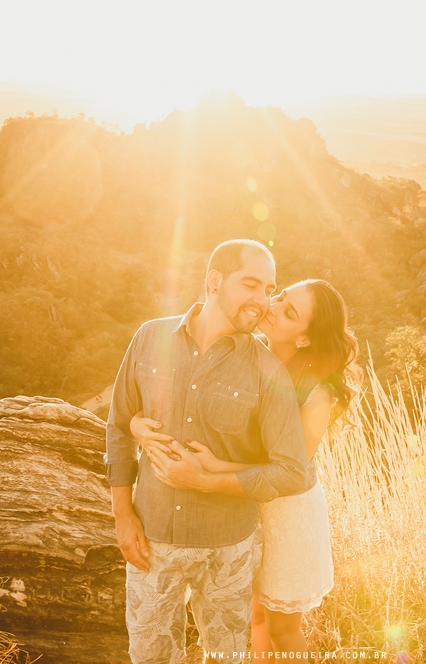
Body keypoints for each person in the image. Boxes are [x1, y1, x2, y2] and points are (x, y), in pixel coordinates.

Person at [104, 239, 310, 664]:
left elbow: (291, 472)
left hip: (229, 550)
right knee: (151, 657)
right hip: (153, 540)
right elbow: (120, 427)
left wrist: (205, 480)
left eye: (269, 288)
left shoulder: (268, 371)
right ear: (215, 281)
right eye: (250, 284)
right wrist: (123, 517)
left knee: (225, 658)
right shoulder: (149, 337)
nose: (262, 299)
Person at [134, 278, 360, 658]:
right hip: (240, 505)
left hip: (287, 511)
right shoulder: (248, 354)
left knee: (283, 628)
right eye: (282, 295)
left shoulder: (317, 392)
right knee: (251, 617)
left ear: (304, 338)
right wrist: (136, 424)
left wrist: (214, 469)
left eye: (289, 312)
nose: (272, 305)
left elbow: (291, 471)